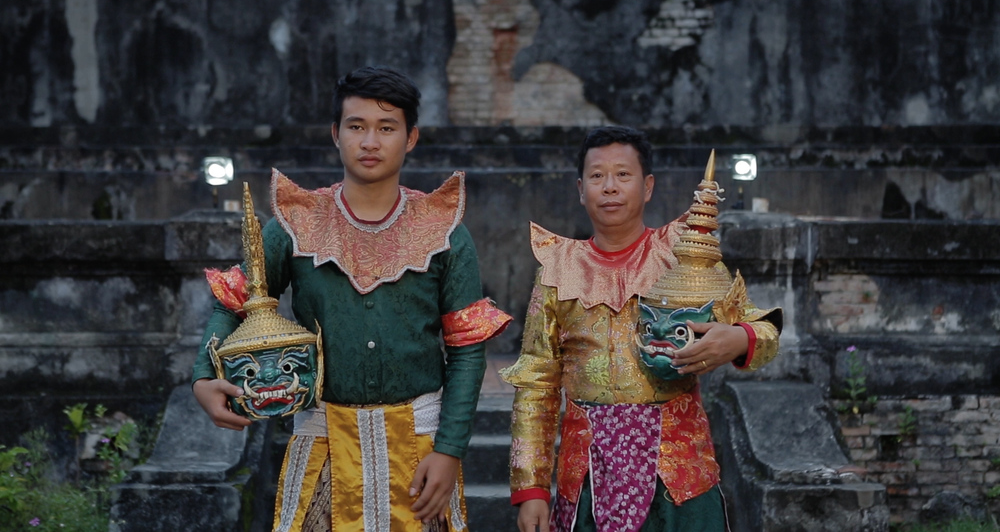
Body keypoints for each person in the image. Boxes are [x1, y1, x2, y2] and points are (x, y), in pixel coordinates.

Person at [191, 66, 511, 532]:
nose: (370, 141)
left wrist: (449, 450)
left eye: (386, 128)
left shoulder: (444, 233)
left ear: (411, 137)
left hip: (420, 447)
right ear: (335, 134)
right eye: (356, 126)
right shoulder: (294, 225)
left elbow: (467, 352)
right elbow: (232, 302)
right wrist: (205, 376)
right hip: (322, 441)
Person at [500, 126, 782, 532]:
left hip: (679, 473)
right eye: (597, 177)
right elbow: (536, 383)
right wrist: (531, 490)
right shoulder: (557, 273)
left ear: (647, 186)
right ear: (581, 189)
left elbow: (763, 329)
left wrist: (740, 339)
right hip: (587, 476)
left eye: (623, 175)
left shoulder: (683, 258)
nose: (609, 187)